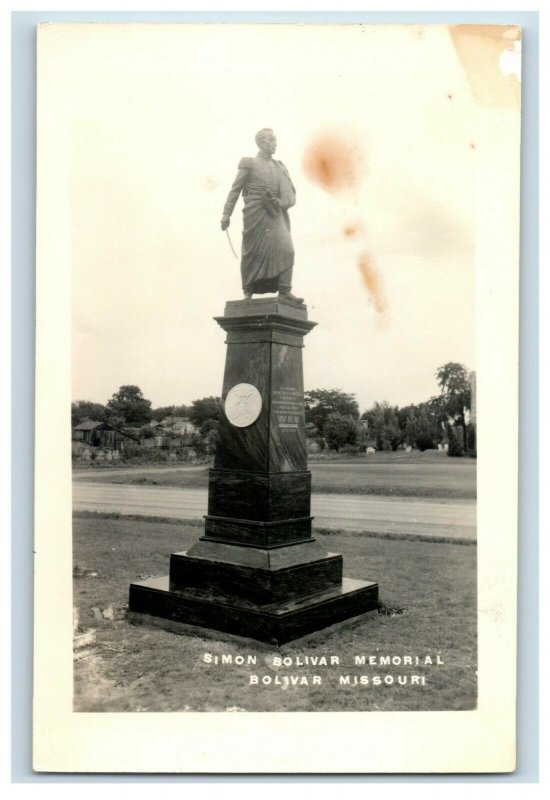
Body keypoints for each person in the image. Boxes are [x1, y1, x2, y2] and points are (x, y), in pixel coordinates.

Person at [220, 129, 303, 302]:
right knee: (252, 252)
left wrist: (279, 202)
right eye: (271, 140)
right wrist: (226, 213)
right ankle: (248, 292)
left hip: (275, 211)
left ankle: (285, 291)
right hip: (255, 212)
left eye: (275, 139)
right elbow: (235, 190)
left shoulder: (280, 167)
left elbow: (290, 193)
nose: (275, 143)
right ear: (260, 142)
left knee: (287, 249)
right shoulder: (248, 163)